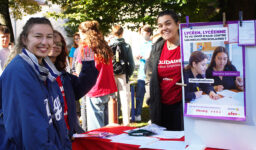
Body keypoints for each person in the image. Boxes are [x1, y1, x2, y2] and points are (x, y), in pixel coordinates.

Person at [0, 17, 71, 149]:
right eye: (38, 36)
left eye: (49, 37)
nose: (44, 42)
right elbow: (31, 134)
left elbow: (58, 120)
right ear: (24, 39)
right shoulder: (18, 73)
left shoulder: (48, 71)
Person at [48, 30, 98, 138]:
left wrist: (88, 65)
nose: (56, 46)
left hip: (69, 133)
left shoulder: (63, 75)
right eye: (52, 42)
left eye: (59, 44)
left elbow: (79, 89)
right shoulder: (37, 74)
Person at [77, 20, 117, 131]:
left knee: (97, 131)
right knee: (107, 129)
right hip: (108, 88)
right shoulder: (103, 44)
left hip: (95, 89)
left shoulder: (86, 47)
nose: (79, 35)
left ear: (85, 32)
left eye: (80, 32)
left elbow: (85, 71)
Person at [147, 10, 183, 131]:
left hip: (182, 108)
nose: (164, 28)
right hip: (160, 108)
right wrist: (150, 101)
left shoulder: (187, 45)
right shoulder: (157, 48)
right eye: (160, 25)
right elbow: (150, 75)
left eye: (168, 23)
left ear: (177, 24)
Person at [109, 25, 135, 126]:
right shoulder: (127, 46)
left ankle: (113, 121)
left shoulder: (109, 45)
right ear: (122, 33)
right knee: (125, 99)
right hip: (123, 74)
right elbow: (131, 63)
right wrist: (129, 73)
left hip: (111, 74)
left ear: (112, 33)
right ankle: (126, 123)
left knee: (112, 99)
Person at [134, 25, 153, 122]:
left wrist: (145, 57)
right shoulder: (140, 44)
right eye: (141, 32)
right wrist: (138, 56)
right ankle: (137, 114)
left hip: (149, 75)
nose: (142, 34)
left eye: (143, 32)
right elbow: (137, 55)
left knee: (150, 97)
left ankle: (152, 117)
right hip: (141, 73)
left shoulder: (152, 44)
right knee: (139, 96)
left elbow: (150, 58)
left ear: (149, 33)